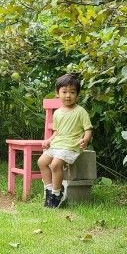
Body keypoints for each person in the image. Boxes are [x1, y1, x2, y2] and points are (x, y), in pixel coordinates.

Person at [38, 73, 93, 208]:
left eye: (72, 92)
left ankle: (57, 194)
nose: (68, 95)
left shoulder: (80, 111)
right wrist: (49, 140)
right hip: (58, 144)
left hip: (71, 145)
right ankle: (49, 189)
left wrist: (85, 139)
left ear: (77, 95)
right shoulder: (57, 113)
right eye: (64, 92)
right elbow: (57, 132)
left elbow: (88, 129)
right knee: (42, 162)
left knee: (55, 164)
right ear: (57, 93)